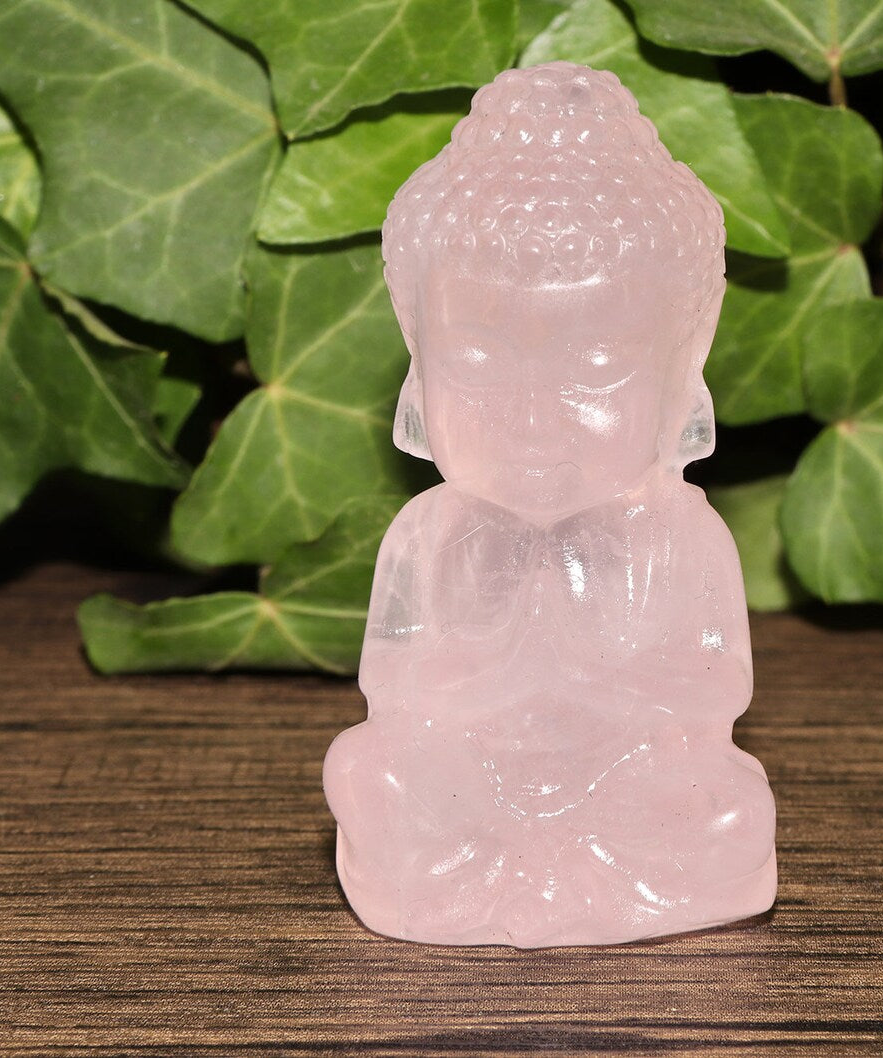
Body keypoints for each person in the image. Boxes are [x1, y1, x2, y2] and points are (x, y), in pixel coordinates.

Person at [322, 61, 777, 948]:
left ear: (680, 372)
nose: (534, 422)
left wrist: (607, 688)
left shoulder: (681, 535)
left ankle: (561, 874)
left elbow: (718, 688)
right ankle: (498, 872)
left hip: (625, 786)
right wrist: (480, 695)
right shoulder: (429, 531)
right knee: (366, 770)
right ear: (420, 368)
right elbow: (394, 689)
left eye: (597, 367)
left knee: (727, 807)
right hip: (475, 784)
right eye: (479, 364)